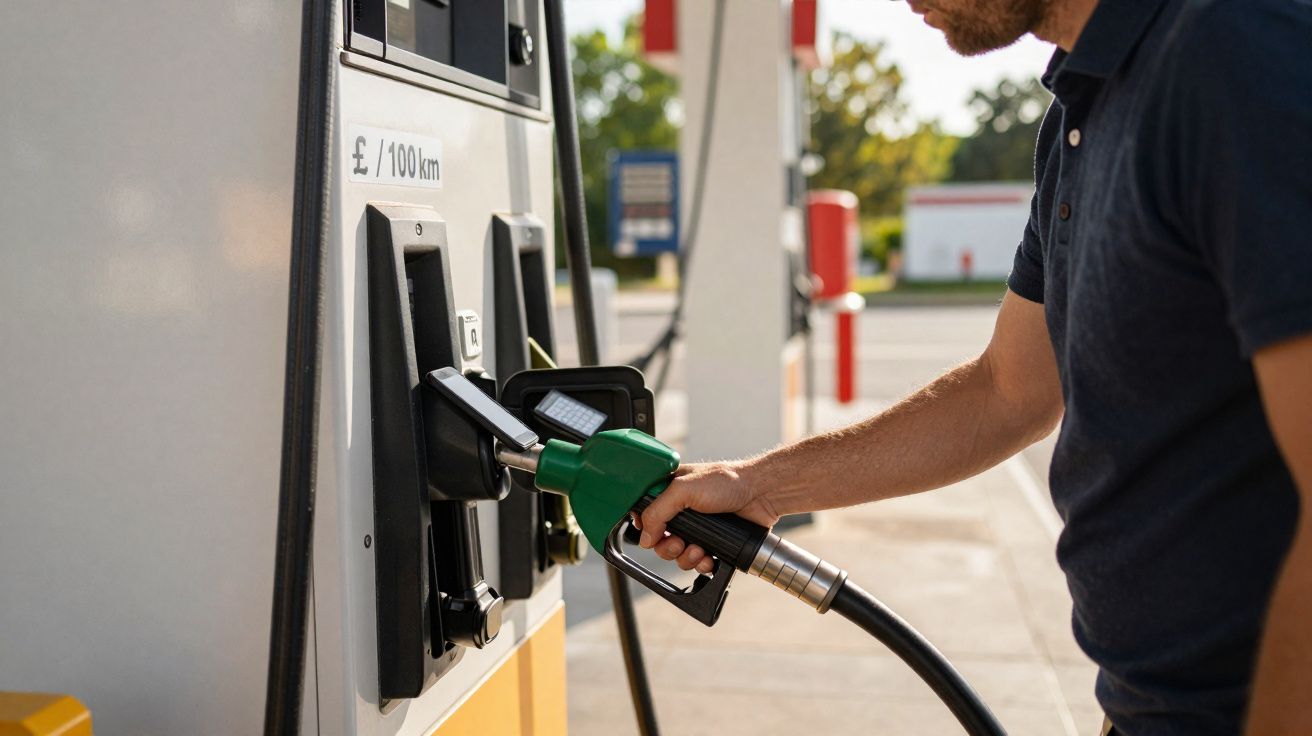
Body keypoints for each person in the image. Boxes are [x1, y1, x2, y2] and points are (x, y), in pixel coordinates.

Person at [636, 0, 1312, 733]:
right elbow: (1006, 391)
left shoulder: (1238, 49)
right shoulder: (1087, 106)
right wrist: (758, 485)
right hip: (1143, 706)